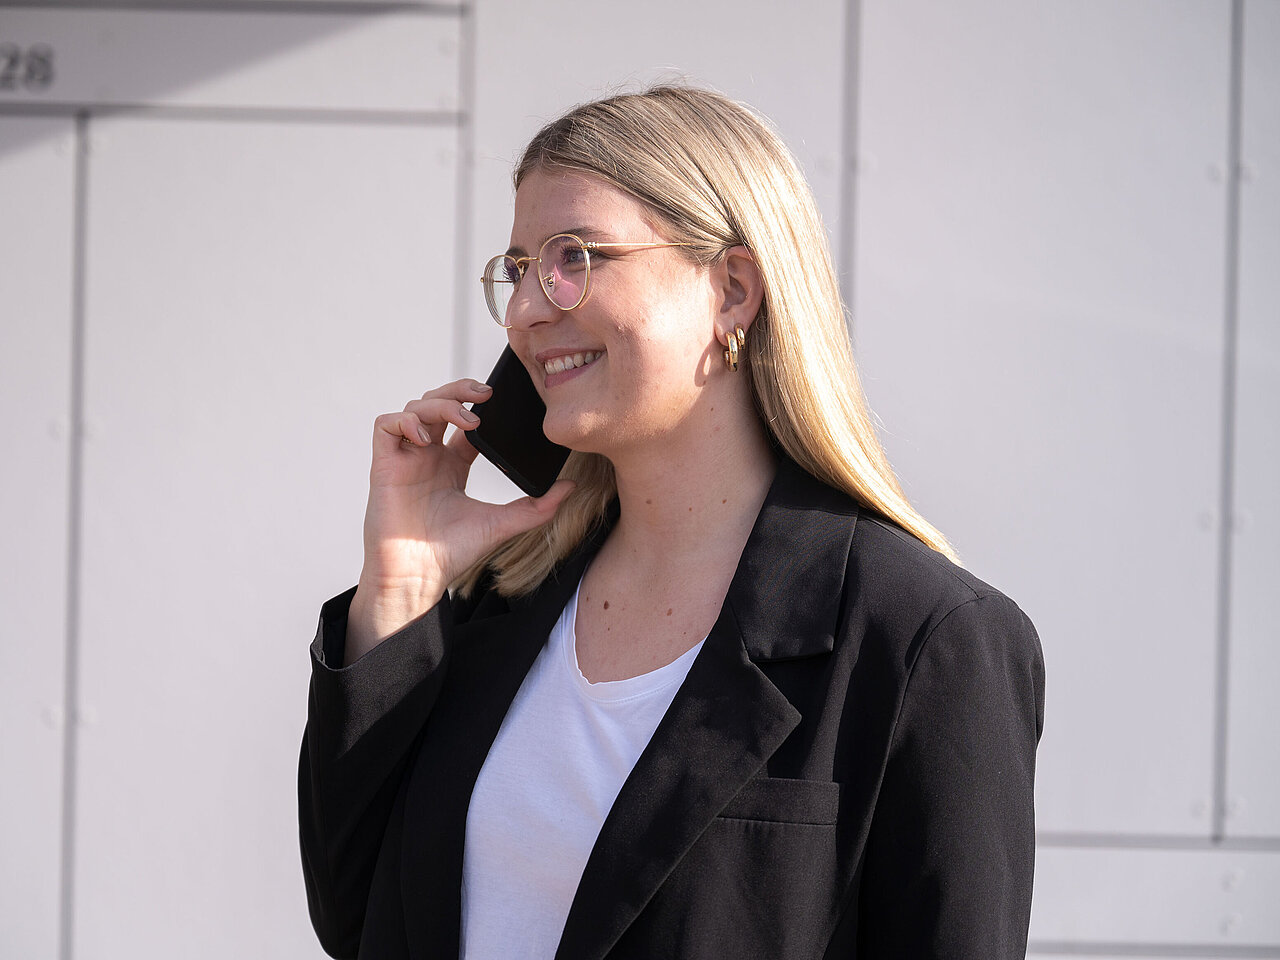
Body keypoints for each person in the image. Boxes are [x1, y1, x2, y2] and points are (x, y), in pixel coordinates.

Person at [299, 85, 1045, 960]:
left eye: (574, 256)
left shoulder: (924, 640)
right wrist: (401, 582)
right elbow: (356, 917)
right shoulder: (500, 605)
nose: (529, 309)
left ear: (732, 290)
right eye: (518, 267)